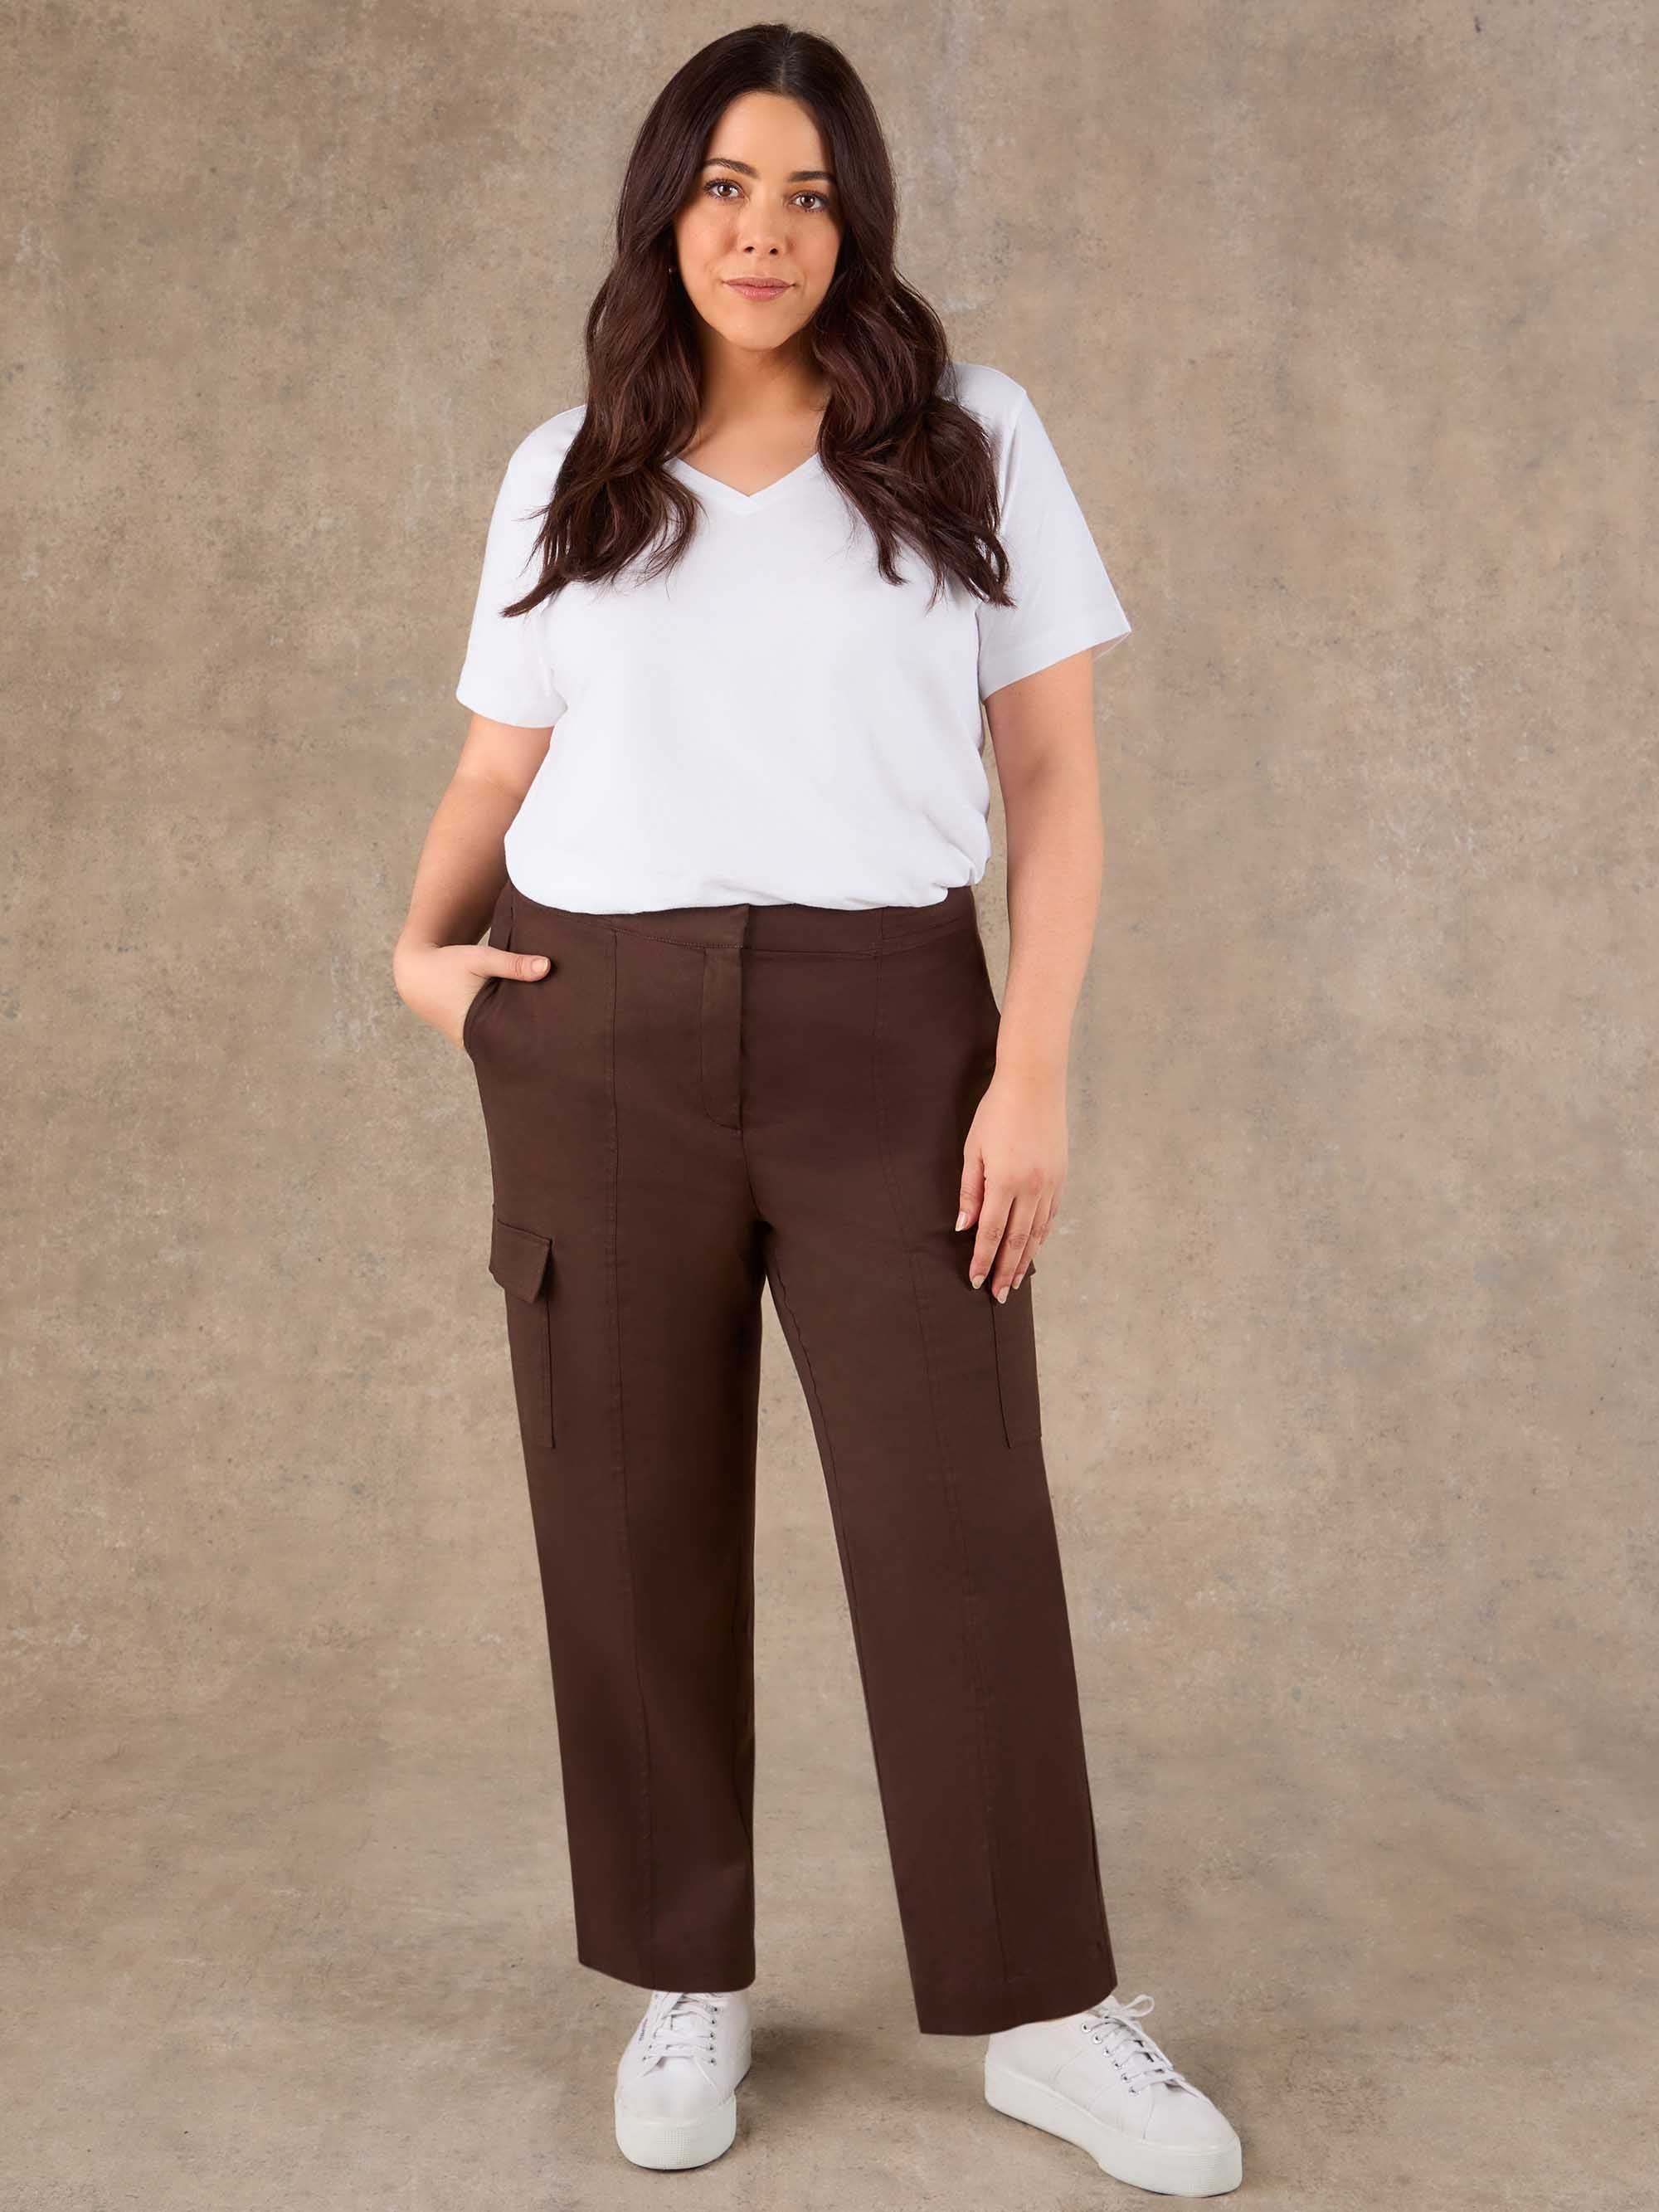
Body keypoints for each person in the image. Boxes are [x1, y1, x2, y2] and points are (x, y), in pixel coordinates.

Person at [393, 22, 1243, 2199]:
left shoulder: (968, 440)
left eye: (803, 194)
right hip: (593, 1031)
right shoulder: (565, 465)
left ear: (852, 223)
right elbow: (499, 769)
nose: (758, 232)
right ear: (662, 209)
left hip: (891, 1025)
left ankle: (1049, 2009)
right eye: (720, 188)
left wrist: (1029, 1062)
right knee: (630, 1508)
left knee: (957, 1518)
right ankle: (690, 1972)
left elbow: (1050, 778)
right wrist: (424, 943)